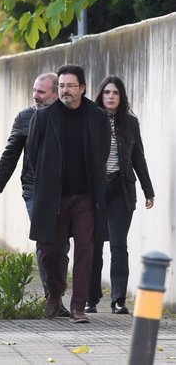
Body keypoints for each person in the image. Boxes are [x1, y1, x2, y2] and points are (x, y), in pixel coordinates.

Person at [26, 64, 110, 323]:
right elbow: (32, 154)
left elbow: (103, 152)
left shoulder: (97, 116)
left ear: (82, 88)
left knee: (86, 248)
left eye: (71, 86)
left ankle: (78, 307)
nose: (65, 91)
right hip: (54, 196)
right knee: (50, 250)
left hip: (85, 195)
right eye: (61, 86)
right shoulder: (43, 117)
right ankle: (55, 294)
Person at [0, 73, 71, 317]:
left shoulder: (70, 118)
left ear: (56, 93)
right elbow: (11, 152)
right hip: (35, 188)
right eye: (34, 90)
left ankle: (56, 294)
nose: (35, 95)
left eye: (41, 92)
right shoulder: (25, 117)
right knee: (46, 239)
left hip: (65, 190)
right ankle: (51, 296)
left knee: (61, 244)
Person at [86, 76, 155, 315]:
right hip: (95, 190)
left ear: (121, 96)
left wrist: (148, 190)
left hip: (121, 189)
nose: (111, 96)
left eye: (115, 92)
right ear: (100, 95)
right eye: (107, 92)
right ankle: (91, 298)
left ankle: (118, 300)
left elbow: (139, 158)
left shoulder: (130, 123)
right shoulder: (91, 118)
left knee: (118, 245)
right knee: (93, 245)